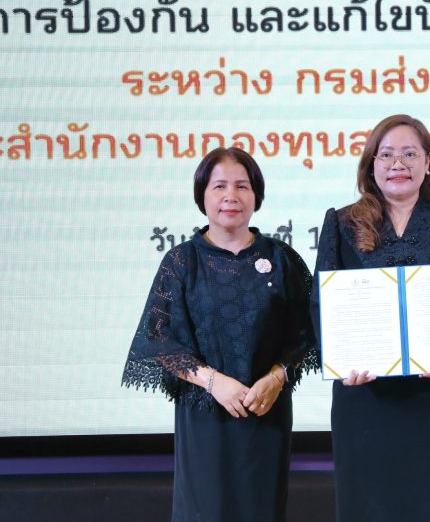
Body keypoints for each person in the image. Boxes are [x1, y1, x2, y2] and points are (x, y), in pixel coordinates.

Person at [313, 113, 430, 522]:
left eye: (410, 154)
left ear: (428, 163)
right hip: (365, 398)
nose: (398, 164)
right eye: (387, 154)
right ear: (371, 164)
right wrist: (340, 362)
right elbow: (321, 302)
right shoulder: (342, 222)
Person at [122, 147, 318, 522]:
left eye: (242, 186)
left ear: (256, 195)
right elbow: (159, 338)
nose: (231, 196)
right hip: (205, 416)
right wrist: (214, 382)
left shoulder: (282, 258)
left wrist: (278, 376)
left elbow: (308, 332)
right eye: (220, 186)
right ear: (202, 195)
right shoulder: (182, 261)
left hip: (266, 411)